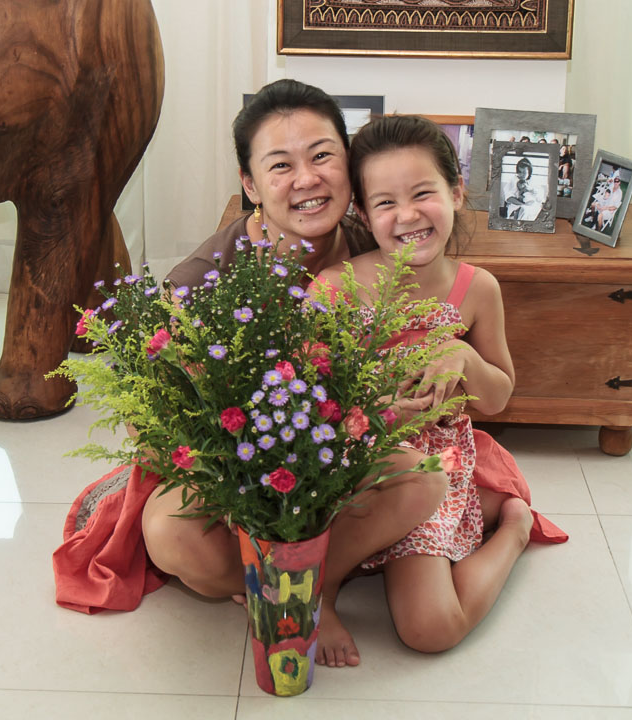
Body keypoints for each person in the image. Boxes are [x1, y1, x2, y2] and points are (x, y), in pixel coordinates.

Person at [52, 81, 567, 667]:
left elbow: (480, 369)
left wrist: (423, 385)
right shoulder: (202, 285)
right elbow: (162, 429)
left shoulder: (384, 240)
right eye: (280, 165)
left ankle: (311, 575)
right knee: (174, 533)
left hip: (363, 448)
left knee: (417, 478)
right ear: (250, 185)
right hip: (246, 461)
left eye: (322, 155)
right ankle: (293, 577)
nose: (307, 179)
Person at [313, 115, 566, 663]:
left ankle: (514, 527)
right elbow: (310, 400)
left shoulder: (477, 289)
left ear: (455, 192)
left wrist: (465, 357)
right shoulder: (335, 288)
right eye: (385, 202)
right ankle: (321, 592)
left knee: (431, 629)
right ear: (363, 214)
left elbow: (498, 397)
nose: (407, 215)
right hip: (354, 457)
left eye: (423, 193)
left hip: (434, 464)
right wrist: (373, 407)